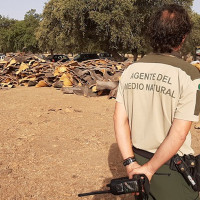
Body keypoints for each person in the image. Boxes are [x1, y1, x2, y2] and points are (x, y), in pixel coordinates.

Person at [114, 4, 200, 200]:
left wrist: (130, 163)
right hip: (172, 171)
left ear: (153, 33)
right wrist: (149, 170)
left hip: (137, 166)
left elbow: (119, 120)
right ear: (183, 36)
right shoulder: (189, 74)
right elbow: (178, 133)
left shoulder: (130, 71)